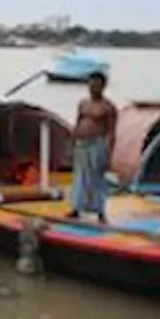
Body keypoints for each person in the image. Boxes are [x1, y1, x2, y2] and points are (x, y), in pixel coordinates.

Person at [68, 71, 116, 223]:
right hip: (81, 144)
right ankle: (76, 208)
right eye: (91, 85)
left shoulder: (108, 107)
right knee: (80, 177)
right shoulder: (83, 103)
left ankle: (100, 211)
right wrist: (72, 142)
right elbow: (77, 123)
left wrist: (108, 152)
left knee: (96, 178)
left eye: (97, 85)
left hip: (97, 144)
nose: (93, 88)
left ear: (103, 86)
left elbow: (111, 131)